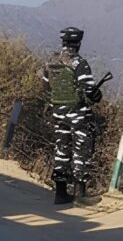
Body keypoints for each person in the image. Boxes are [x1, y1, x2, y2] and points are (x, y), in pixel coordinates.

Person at [41, 26, 104, 205]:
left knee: (61, 150)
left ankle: (60, 194)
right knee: (80, 151)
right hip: (78, 114)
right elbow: (89, 90)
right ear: (78, 43)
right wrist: (95, 96)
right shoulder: (79, 64)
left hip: (58, 113)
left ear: (63, 42)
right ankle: (80, 194)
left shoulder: (50, 62)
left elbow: (46, 87)